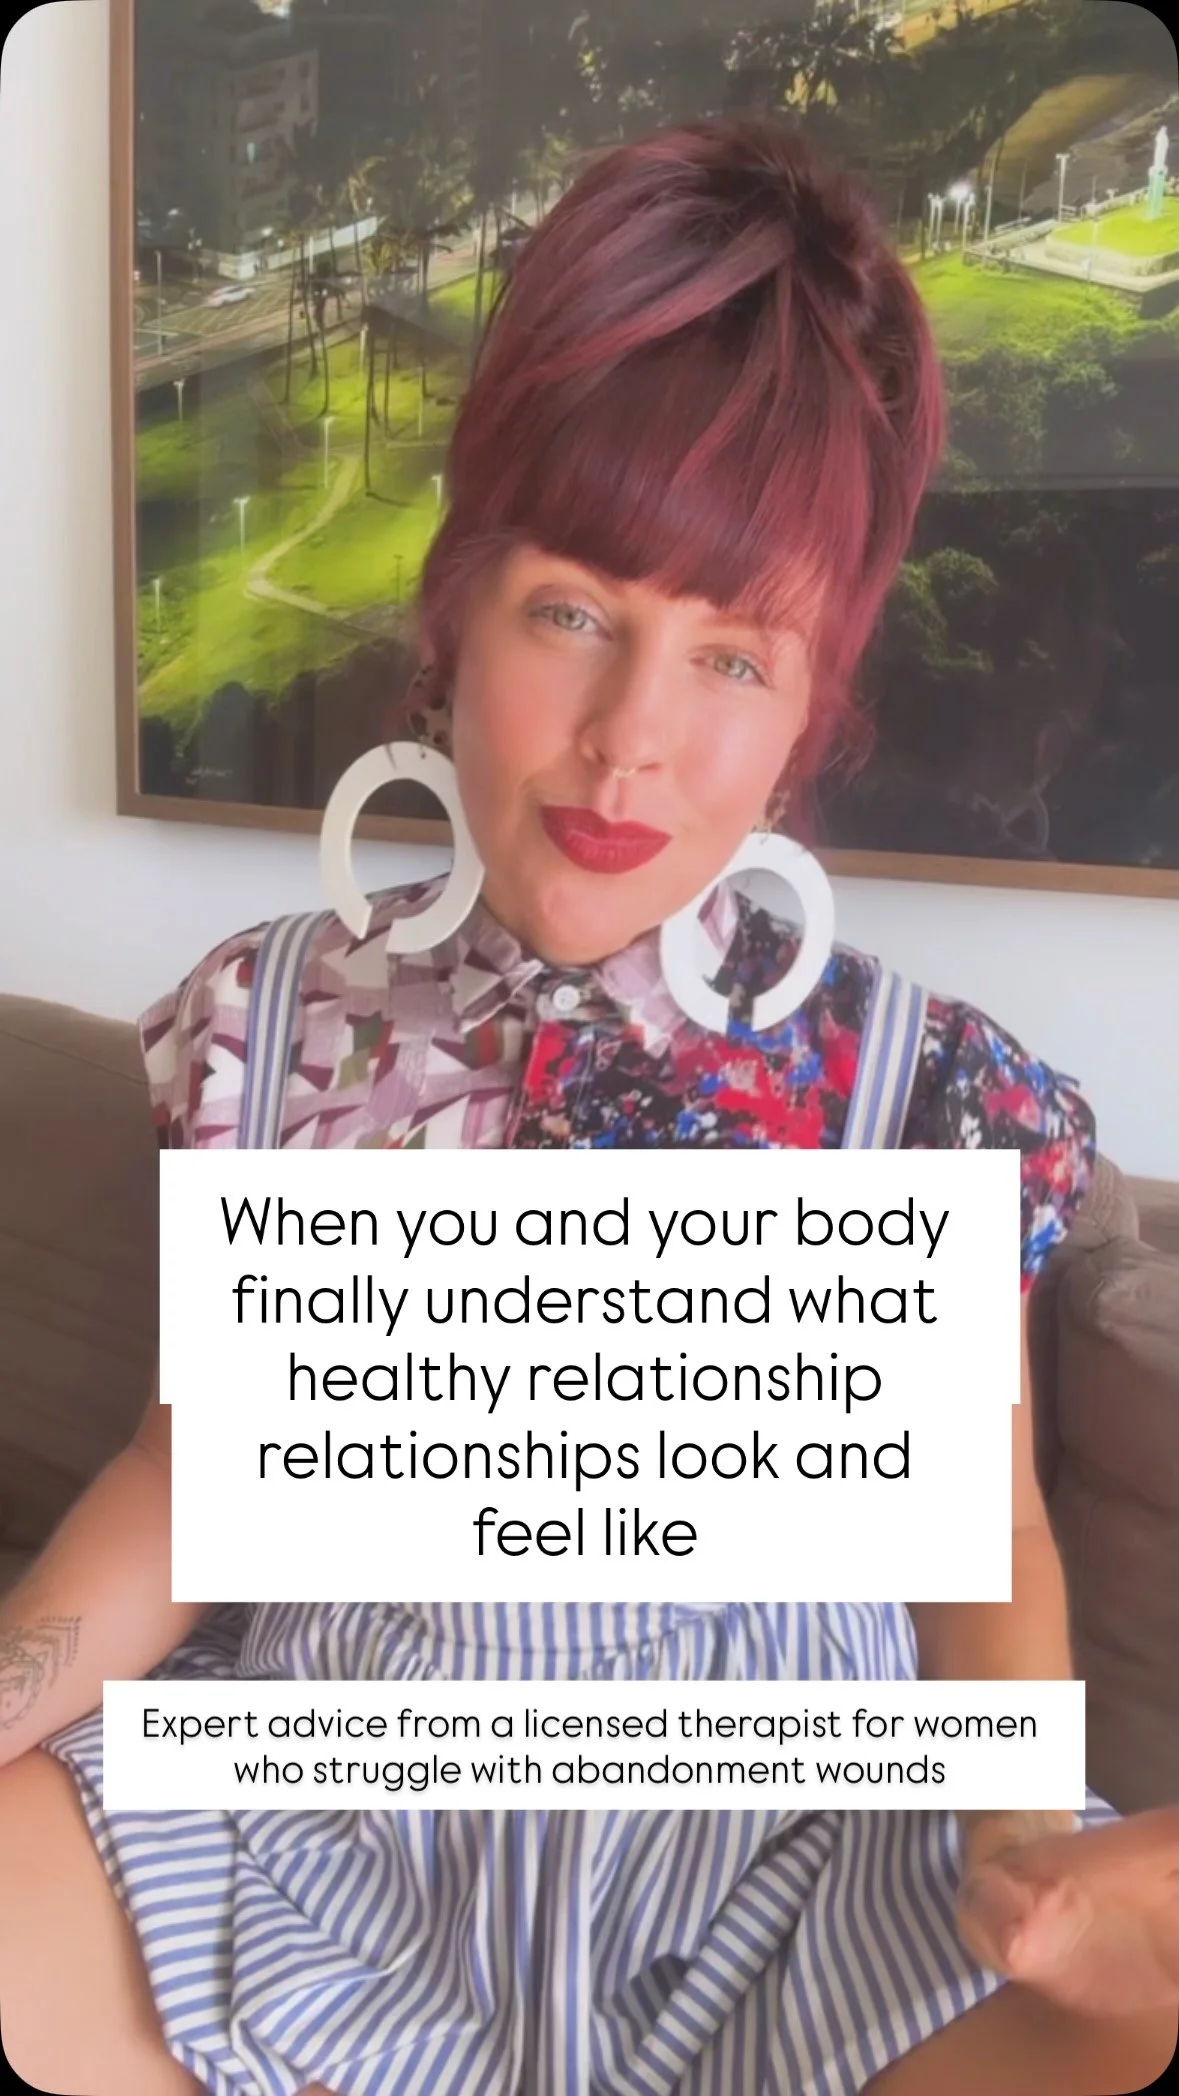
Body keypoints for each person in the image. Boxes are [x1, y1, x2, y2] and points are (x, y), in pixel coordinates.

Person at [1, 118, 1176, 2096]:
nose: (634, 740)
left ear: (807, 710)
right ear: (455, 610)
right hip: (314, 1837)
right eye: (571, 611)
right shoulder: (272, 1026)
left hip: (800, 1880)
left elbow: (981, 1536)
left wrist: (1011, 1848)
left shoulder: (920, 1096)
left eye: (732, 655)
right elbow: (197, 1476)